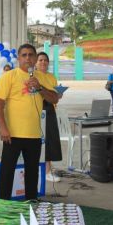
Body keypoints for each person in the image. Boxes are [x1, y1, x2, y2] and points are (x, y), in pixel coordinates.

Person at [0, 43, 58, 200]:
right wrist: (2, 127)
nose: (28, 58)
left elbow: (54, 98)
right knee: (7, 171)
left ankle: (31, 202)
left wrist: (40, 88)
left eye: (31, 55)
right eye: (24, 55)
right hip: (12, 134)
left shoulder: (43, 77)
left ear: (36, 58)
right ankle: (4, 205)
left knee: (32, 172)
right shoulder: (9, 77)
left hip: (34, 134)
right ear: (18, 58)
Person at [35, 52, 62, 182]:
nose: (43, 62)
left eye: (45, 60)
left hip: (50, 110)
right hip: (38, 109)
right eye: (40, 60)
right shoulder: (33, 75)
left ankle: (47, 171)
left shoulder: (52, 77)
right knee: (38, 143)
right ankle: (36, 170)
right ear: (36, 62)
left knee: (50, 142)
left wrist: (58, 95)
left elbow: (55, 95)